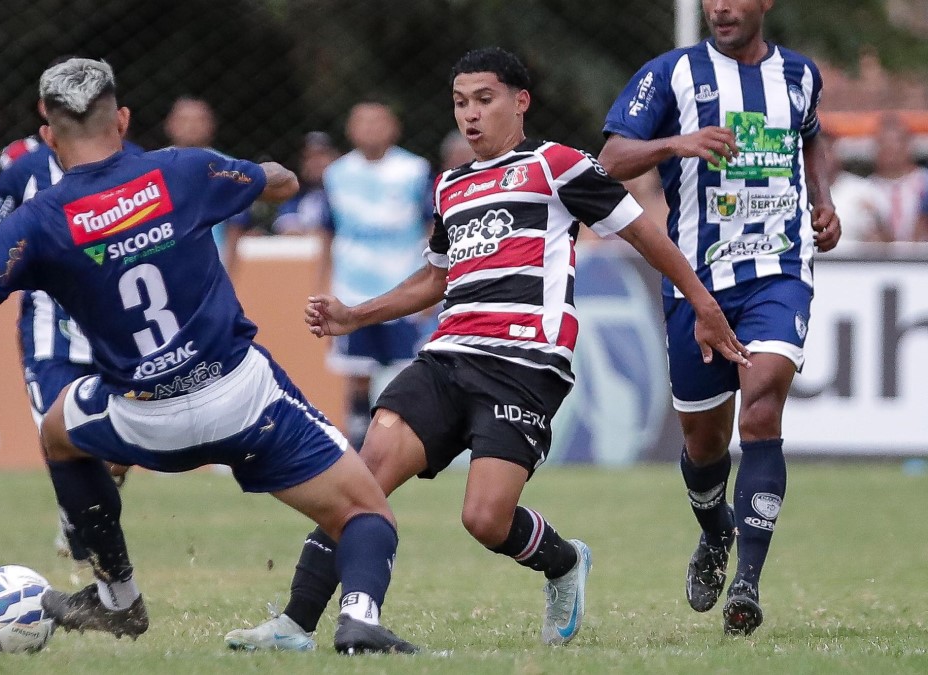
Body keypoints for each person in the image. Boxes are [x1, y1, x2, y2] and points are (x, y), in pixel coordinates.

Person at [0, 58, 417, 655]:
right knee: (365, 511)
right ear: (124, 118)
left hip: (141, 418)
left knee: (57, 430)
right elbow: (275, 180)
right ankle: (357, 614)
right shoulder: (182, 171)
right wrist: (258, 178)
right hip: (240, 398)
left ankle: (117, 597)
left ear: (47, 135)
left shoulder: (40, 221)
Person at [224, 46, 747, 651]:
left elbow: (643, 232)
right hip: (447, 355)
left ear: (520, 102)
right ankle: (296, 623)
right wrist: (353, 314)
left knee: (485, 519)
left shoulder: (558, 166)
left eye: (484, 100)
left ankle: (563, 564)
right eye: (460, 103)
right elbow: (435, 279)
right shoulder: (452, 185)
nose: (469, 116)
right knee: (360, 479)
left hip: (525, 364)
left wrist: (702, 304)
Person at [599, 0, 842, 636]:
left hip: (780, 272)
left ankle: (748, 585)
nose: (720, 7)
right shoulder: (672, 73)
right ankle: (714, 534)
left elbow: (811, 134)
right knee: (703, 445)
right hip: (697, 285)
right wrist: (676, 143)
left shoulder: (800, 75)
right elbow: (611, 159)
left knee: (762, 407)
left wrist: (823, 201)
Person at [0, 87, 145, 568]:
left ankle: (81, 512)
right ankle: (99, 555)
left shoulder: (143, 169)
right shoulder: (25, 171)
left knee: (118, 453)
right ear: (48, 123)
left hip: (124, 335)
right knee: (60, 434)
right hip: (52, 336)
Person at [320, 98, 434, 448]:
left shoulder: (415, 169)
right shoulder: (335, 174)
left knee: (408, 371)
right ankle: (357, 443)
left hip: (405, 288)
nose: (370, 129)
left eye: (378, 121)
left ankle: (408, 444)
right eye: (363, 122)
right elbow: (327, 232)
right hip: (352, 289)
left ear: (394, 127)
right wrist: (324, 283)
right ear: (351, 129)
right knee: (357, 374)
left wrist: (432, 283)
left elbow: (433, 226)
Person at [163, 96, 251, 274]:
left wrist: (229, 274)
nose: (192, 126)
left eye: (199, 120)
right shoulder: (149, 167)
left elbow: (236, 227)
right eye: (184, 120)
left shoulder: (230, 168)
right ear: (169, 124)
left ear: (212, 126)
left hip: (211, 267)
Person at [869, 112, 928, 242]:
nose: (891, 148)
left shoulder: (924, 183)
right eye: (884, 142)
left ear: (909, 145)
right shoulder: (865, 189)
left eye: (896, 141)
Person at [822, 132, 884, 243]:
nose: (823, 157)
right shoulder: (794, 193)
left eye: (827, 150)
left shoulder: (863, 190)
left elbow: (883, 243)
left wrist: (876, 220)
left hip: (856, 258)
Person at [271, 132, 338, 236]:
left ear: (336, 157)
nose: (315, 163)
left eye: (321, 155)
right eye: (308, 157)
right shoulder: (295, 194)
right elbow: (288, 228)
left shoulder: (345, 194)